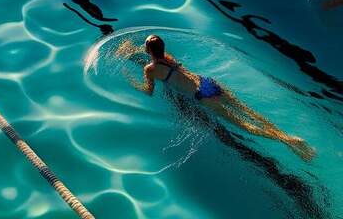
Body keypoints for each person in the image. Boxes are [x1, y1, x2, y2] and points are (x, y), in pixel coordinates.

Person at [121, 34, 313, 161]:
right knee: (251, 113)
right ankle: (285, 136)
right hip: (209, 84)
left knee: (245, 125)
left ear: (147, 51)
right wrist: (134, 50)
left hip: (202, 96)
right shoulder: (168, 57)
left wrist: (132, 81)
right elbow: (154, 54)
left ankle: (289, 140)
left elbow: (149, 91)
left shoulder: (150, 69)